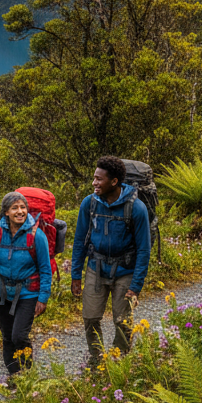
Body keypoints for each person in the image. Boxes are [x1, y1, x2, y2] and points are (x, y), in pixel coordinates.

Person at [70, 156, 151, 367]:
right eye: (94, 178)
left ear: (114, 182)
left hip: (125, 270)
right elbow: (80, 240)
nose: (94, 183)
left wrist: (136, 286)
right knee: (90, 318)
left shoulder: (136, 208)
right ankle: (98, 361)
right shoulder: (89, 204)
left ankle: (117, 361)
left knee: (122, 321)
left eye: (99, 179)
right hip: (96, 268)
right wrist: (75, 275)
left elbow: (144, 249)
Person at [0, 191, 51, 381]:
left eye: (23, 207)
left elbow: (45, 269)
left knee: (19, 336)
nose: (20, 212)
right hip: (2, 292)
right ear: (6, 213)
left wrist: (43, 298)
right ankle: (14, 377)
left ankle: (27, 375)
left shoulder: (37, 236)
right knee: (7, 337)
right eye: (15, 208)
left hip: (28, 293)